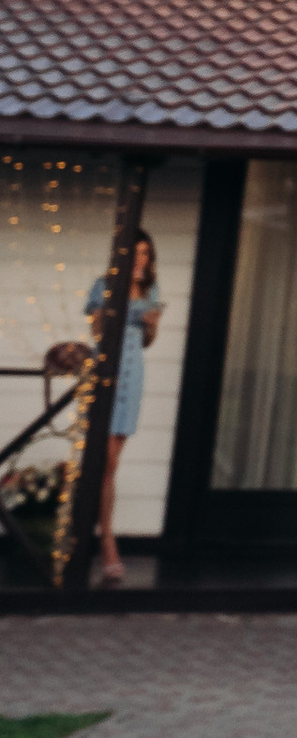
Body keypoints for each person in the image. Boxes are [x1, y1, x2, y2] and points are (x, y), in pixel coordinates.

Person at [82, 228, 164, 590]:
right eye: (136, 252)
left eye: (146, 253)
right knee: (103, 462)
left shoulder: (151, 291)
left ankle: (102, 538)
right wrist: (117, 297)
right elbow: (97, 331)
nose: (142, 259)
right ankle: (105, 541)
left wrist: (151, 325)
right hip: (106, 376)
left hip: (133, 378)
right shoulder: (104, 284)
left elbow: (147, 341)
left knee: (111, 464)